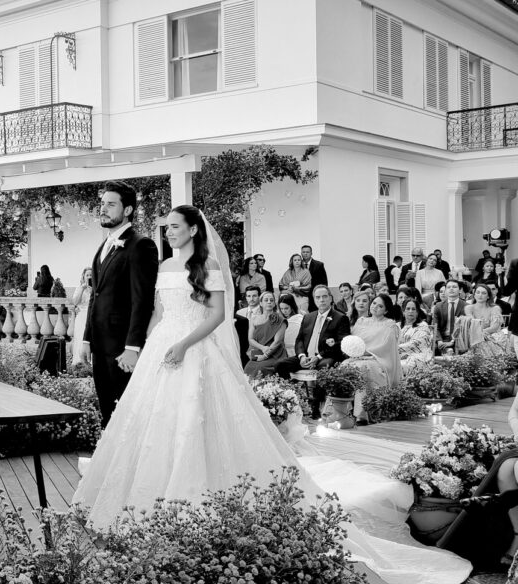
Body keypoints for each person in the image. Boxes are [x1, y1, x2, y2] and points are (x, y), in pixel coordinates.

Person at [72, 205, 471, 582]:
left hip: (195, 349)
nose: (169, 233)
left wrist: (183, 344)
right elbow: (158, 311)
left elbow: (217, 316)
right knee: (153, 425)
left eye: (175, 227)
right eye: (167, 228)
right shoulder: (163, 267)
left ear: (193, 229)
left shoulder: (208, 267)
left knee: (197, 420)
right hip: (163, 347)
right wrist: (149, 345)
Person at [76, 181, 159, 426]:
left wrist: (133, 347)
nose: (103, 209)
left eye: (111, 204)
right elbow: (95, 295)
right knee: (107, 410)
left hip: (122, 346)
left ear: (128, 210)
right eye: (102, 203)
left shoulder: (141, 245)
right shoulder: (104, 246)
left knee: (126, 412)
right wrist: (87, 339)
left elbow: (142, 300)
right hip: (100, 345)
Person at [275, 285, 352, 418]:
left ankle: (316, 406)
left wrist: (319, 356)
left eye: (324, 296)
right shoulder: (308, 317)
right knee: (280, 365)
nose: (321, 300)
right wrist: (301, 356)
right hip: (306, 357)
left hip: (326, 356)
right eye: (318, 297)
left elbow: (342, 343)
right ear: (314, 300)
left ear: (330, 298)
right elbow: (299, 340)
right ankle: (292, 399)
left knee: (324, 367)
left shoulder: (340, 317)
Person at [345, 293, 401, 424]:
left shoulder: (390, 325)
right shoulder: (361, 321)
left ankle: (361, 414)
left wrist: (366, 353)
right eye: (374, 303)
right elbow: (354, 341)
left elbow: (386, 347)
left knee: (363, 368)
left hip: (379, 359)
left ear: (386, 310)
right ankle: (341, 410)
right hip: (359, 357)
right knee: (344, 365)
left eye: (380, 306)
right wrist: (354, 351)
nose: (375, 307)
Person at [243, 291, 286, 377]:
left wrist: (265, 356)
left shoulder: (280, 319)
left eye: (271, 300)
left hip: (275, 354)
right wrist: (262, 348)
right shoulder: (254, 319)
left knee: (260, 368)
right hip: (259, 352)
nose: (269, 302)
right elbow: (251, 339)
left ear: (274, 303)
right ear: (261, 303)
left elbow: (277, 341)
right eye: (266, 300)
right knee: (247, 368)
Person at [464, 283, 511, 358]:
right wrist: (479, 334)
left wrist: (482, 333)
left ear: (488, 296)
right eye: (478, 292)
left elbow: (494, 327)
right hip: (474, 335)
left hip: (492, 335)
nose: (480, 295)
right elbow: (473, 324)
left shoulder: (495, 308)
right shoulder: (469, 308)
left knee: (487, 342)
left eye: (483, 293)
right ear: (474, 294)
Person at [398, 298, 434, 375]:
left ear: (417, 312)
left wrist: (396, 348)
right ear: (403, 311)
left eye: (413, 309)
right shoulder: (397, 326)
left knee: (410, 363)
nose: (410, 311)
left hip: (419, 356)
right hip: (398, 355)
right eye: (408, 309)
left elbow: (415, 345)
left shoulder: (423, 326)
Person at [432, 280, 466, 356]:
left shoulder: (466, 306)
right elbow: (435, 326)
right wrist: (439, 341)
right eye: (448, 287)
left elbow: (464, 328)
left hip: (459, 339)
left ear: (460, 290)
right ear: (446, 290)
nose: (451, 289)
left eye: (454, 287)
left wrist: (452, 341)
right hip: (442, 338)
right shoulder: (438, 306)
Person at [70, 267, 93, 368]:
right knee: (80, 337)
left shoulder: (96, 287)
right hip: (82, 316)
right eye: (87, 275)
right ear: (83, 276)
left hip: (92, 316)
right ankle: (79, 361)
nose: (89, 277)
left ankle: (91, 362)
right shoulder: (79, 288)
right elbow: (75, 302)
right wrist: (82, 289)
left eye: (91, 275)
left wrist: (92, 291)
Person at [278, 294, 304, 359]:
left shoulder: (300, 319)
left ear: (292, 306)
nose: (284, 311)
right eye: (281, 309)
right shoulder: (281, 320)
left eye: (286, 308)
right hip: (284, 352)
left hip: (298, 351)